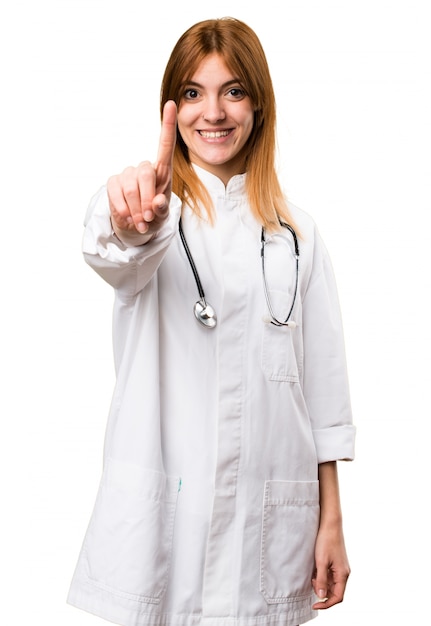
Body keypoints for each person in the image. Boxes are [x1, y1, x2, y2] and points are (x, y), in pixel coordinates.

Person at [67, 16, 356, 626]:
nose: (214, 113)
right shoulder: (152, 211)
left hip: (269, 524)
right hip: (168, 524)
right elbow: (111, 247)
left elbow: (321, 394)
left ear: (259, 103)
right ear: (171, 108)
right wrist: (128, 218)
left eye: (233, 90)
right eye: (193, 93)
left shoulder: (297, 236)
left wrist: (331, 520)